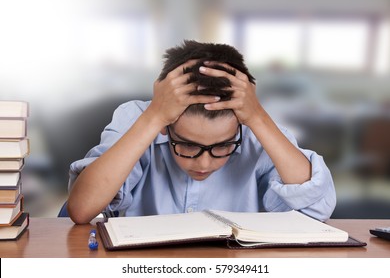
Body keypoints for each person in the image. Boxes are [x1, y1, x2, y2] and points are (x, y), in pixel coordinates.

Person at [67, 40, 336, 224]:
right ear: (167, 126)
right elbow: (82, 209)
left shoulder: (255, 125)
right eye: (187, 145)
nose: (204, 163)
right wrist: (154, 117)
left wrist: (258, 118)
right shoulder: (141, 118)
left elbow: (316, 208)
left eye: (222, 146)